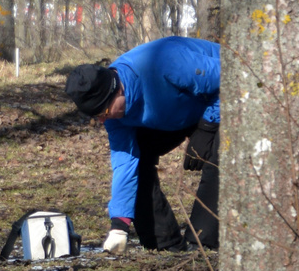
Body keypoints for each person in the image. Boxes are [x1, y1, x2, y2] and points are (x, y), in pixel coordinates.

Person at [65, 35, 220, 254]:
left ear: (118, 90)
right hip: (177, 112)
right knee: (139, 156)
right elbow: (125, 163)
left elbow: (231, 76)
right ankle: (164, 244)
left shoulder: (164, 62)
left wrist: (208, 127)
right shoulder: (114, 116)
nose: (102, 120)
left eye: (103, 112)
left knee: (221, 156)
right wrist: (119, 225)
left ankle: (203, 242)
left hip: (223, 101)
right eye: (96, 116)